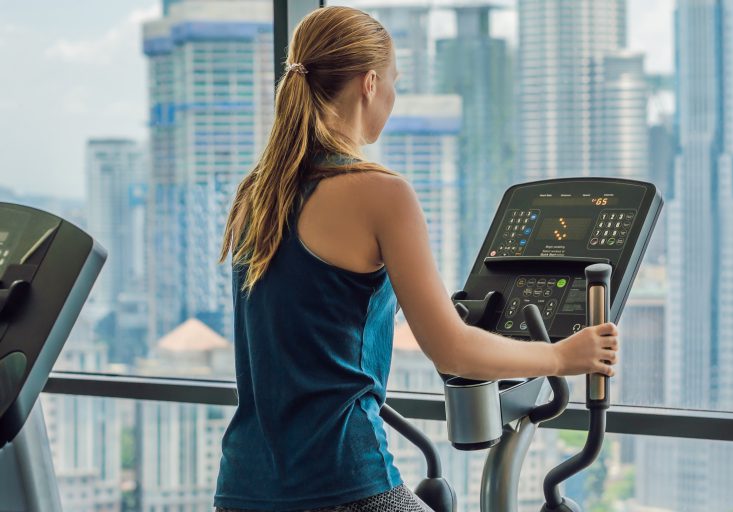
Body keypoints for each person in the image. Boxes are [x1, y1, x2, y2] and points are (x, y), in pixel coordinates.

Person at [213, 6, 620, 512]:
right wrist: (564, 356)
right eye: (394, 82)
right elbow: (452, 350)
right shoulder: (380, 193)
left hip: (241, 489)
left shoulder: (257, 192)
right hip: (345, 483)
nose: (393, 96)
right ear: (369, 83)